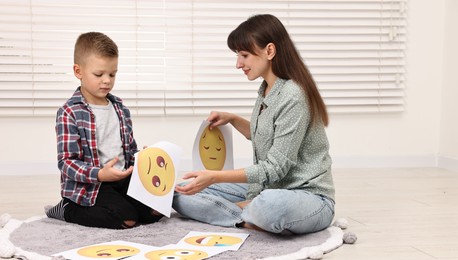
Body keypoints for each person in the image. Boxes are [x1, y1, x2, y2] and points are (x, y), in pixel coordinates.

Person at [173, 14, 335, 235]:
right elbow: (267, 136)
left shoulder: (293, 95)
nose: (238, 64)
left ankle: (246, 213)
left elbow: (275, 168)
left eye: (244, 55)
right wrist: (232, 119)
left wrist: (214, 175)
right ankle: (249, 215)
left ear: (269, 51)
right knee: (181, 193)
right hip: (266, 189)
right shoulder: (266, 89)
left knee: (270, 205)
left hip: (308, 197)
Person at [45, 32, 162, 229]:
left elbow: (129, 149)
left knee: (155, 212)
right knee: (127, 220)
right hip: (92, 184)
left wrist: (144, 157)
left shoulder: (120, 108)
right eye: (99, 74)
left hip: (122, 177)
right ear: (78, 71)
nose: (107, 80)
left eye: (112, 74)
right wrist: (99, 174)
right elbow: (66, 163)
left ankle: (123, 202)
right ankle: (67, 209)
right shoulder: (69, 113)